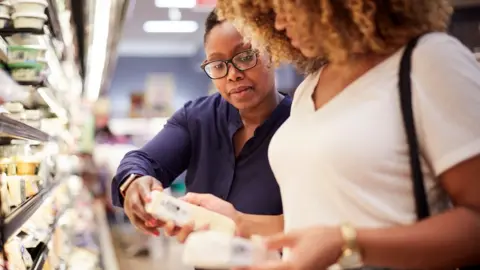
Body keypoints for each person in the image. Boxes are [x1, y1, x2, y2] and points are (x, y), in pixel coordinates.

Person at [213, 0, 480, 269]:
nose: (279, 23)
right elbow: (316, 224)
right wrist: (238, 221)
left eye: (288, 8)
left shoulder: (429, 61)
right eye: (273, 12)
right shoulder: (309, 88)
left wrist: (348, 243)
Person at [111, 9, 290, 244]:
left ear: (272, 52)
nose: (233, 75)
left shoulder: (301, 123)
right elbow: (142, 161)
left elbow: (322, 225)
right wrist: (135, 182)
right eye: (218, 65)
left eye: (246, 56)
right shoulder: (197, 118)